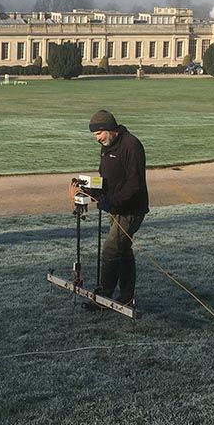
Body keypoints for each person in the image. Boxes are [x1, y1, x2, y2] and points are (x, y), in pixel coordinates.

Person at [76, 109, 149, 307]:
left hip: (131, 210)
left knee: (110, 250)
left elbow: (134, 185)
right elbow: (104, 176)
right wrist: (90, 188)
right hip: (115, 208)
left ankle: (103, 298)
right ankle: (126, 297)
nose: (96, 138)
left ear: (109, 129)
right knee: (123, 251)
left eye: (98, 133)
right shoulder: (107, 145)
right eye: (94, 135)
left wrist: (113, 201)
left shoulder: (131, 145)